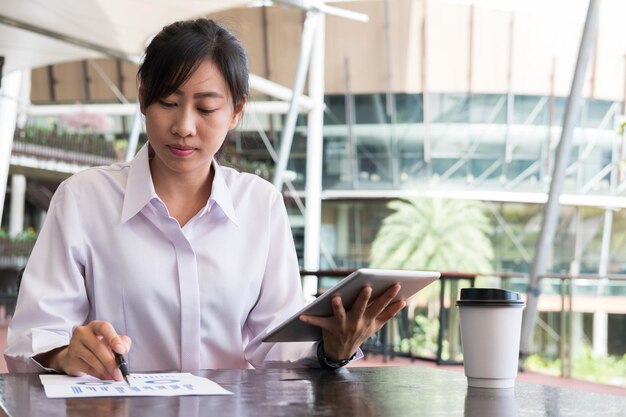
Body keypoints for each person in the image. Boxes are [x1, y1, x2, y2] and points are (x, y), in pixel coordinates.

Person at [5, 18, 405, 380]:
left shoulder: (259, 204)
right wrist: (64, 353)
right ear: (143, 99)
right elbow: (31, 338)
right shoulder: (83, 199)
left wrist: (332, 349)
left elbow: (274, 344)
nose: (183, 127)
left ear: (236, 111)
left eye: (207, 108)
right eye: (168, 104)